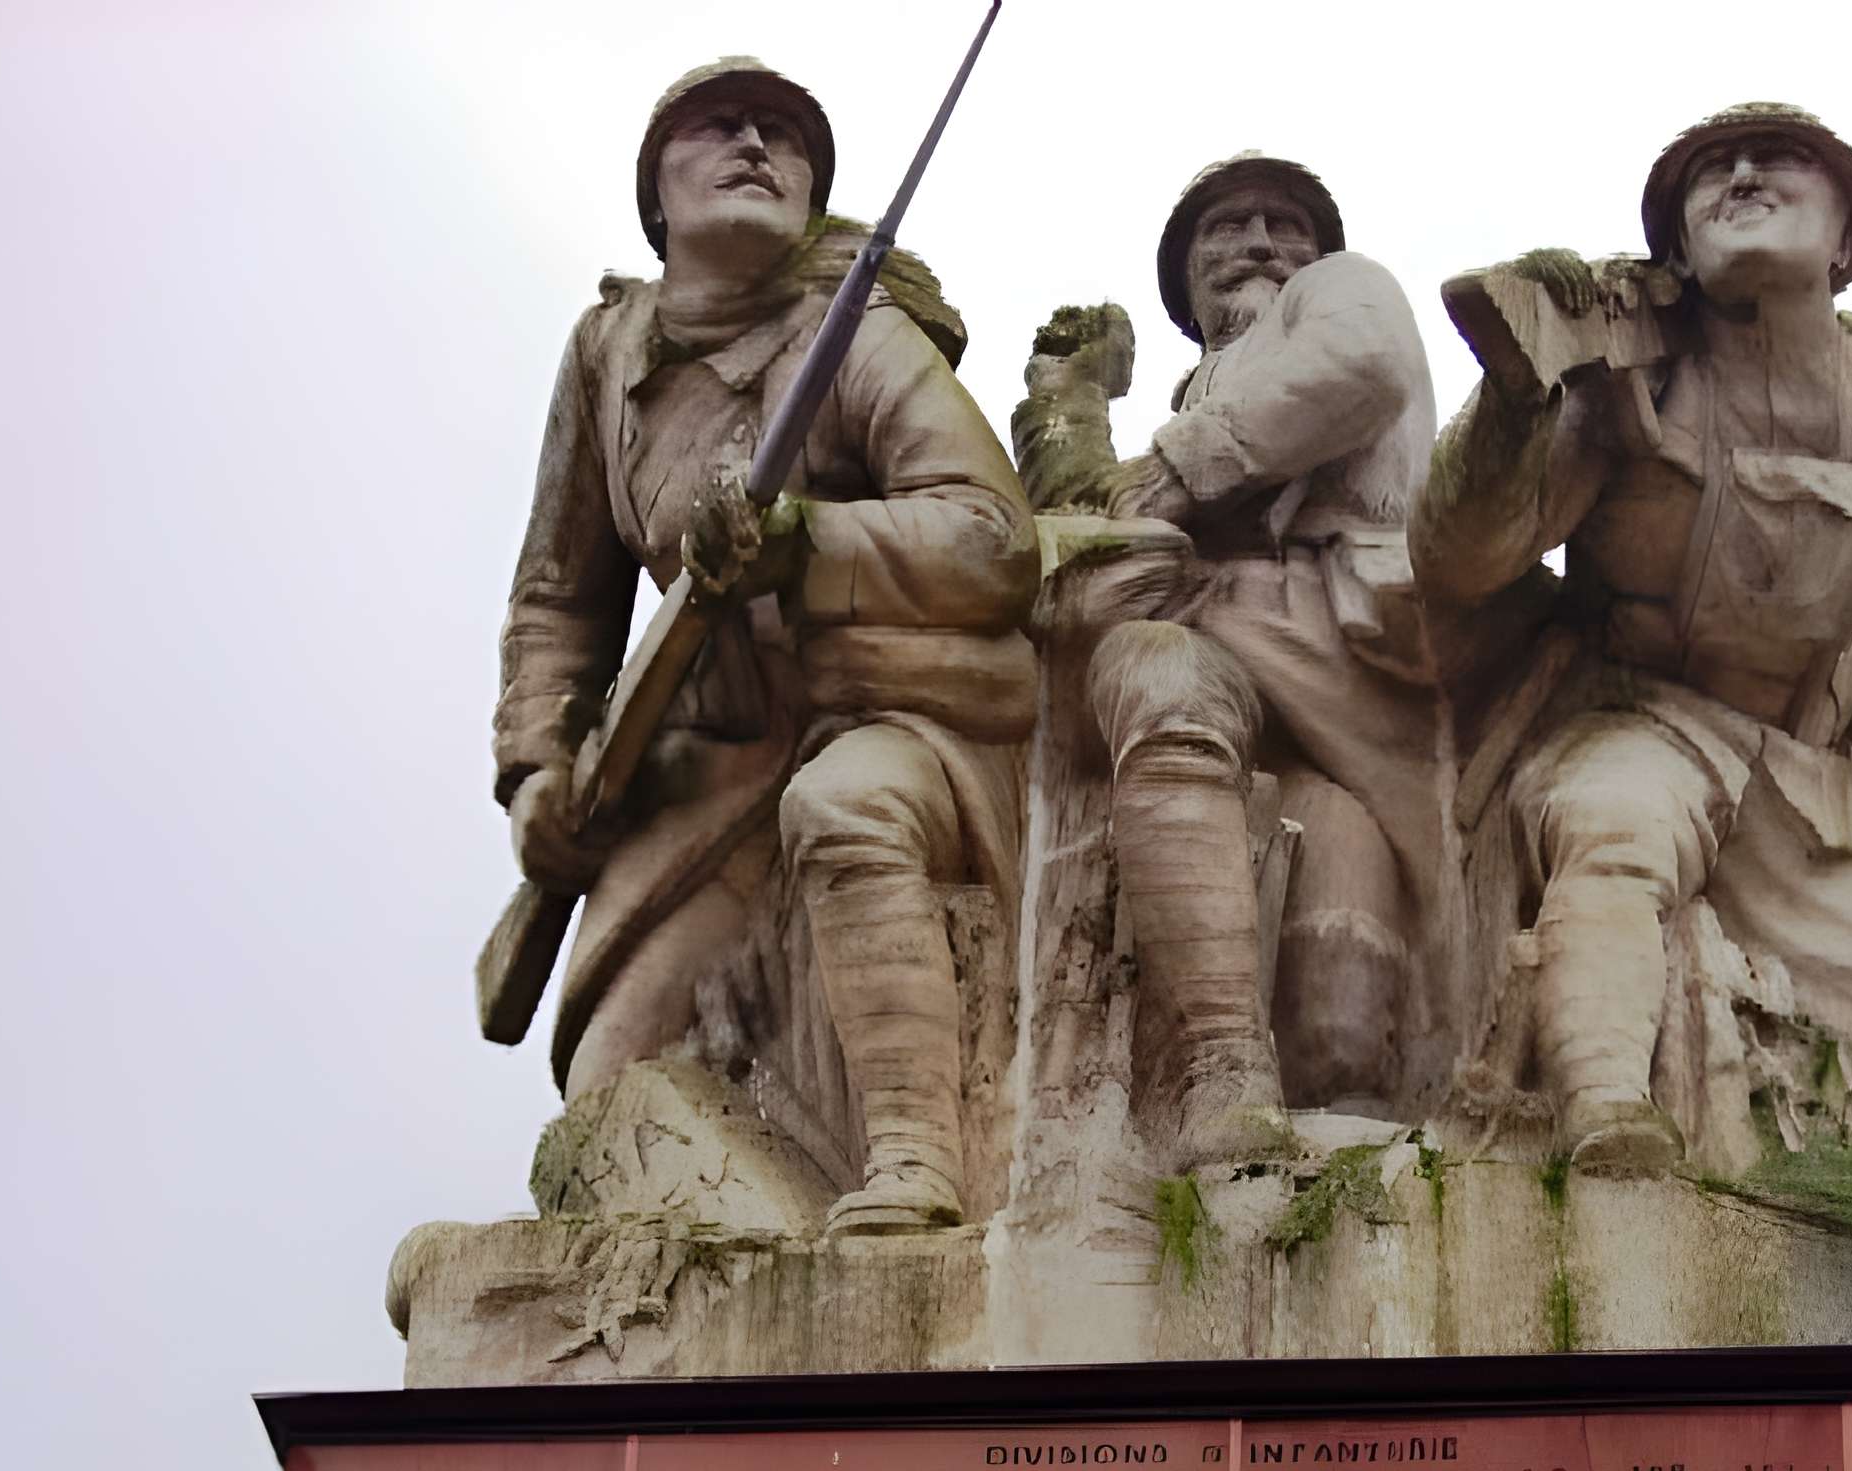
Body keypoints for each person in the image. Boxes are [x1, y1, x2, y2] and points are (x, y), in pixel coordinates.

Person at [493, 57, 1038, 1233]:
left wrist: (808, 544)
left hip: (883, 702)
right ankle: (761, 1246)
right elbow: (559, 598)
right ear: (656, 193)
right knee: (610, 1084)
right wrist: (537, 768)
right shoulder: (606, 355)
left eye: (785, 137)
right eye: (722, 126)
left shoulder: (859, 336)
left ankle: (916, 1174)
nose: (756, 146)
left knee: (847, 808)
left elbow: (994, 540)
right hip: (704, 755)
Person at [1411, 103, 1852, 1175]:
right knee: (1615, 832)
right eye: (1712, 172)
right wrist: (1518, 398)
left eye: (1779, 160)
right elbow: (1461, 559)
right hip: (1644, 722)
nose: (1742, 176)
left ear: (1848, 239)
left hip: (1816, 779)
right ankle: (1604, 1110)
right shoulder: (1631, 369)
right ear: (1676, 250)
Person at [1026, 153, 1446, 1154]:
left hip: (1346, 668)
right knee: (1156, 676)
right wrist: (1065, 399)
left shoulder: (1339, 293)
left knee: (1343, 1036)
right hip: (1227, 663)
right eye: (1227, 228)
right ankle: (1222, 1072)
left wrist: (1177, 470)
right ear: (1187, 280)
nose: (1259, 243)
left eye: (1283, 224)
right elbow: (1089, 521)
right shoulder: (1199, 394)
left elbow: (1366, 365)